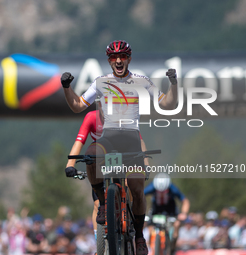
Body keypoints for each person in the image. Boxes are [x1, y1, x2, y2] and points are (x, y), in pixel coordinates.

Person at [61, 40, 178, 255]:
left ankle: (140, 236)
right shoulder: (100, 82)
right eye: (114, 58)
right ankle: (104, 204)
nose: (118, 60)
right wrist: (66, 87)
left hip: (132, 139)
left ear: (129, 59)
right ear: (109, 61)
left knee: (137, 190)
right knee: (90, 155)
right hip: (109, 139)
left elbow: (167, 104)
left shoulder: (141, 80)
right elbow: (77, 105)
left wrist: (173, 85)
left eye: (122, 56)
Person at [65, 109, 150, 242]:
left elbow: (139, 140)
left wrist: (146, 163)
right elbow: (79, 141)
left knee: (132, 184)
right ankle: (99, 241)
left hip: (123, 155)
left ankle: (133, 222)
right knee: (97, 203)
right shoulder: (91, 117)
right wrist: (70, 165)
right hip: (102, 156)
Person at [144, 173, 190, 244]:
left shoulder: (173, 188)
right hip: (156, 208)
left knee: (177, 224)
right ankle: (151, 245)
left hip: (170, 208)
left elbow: (185, 201)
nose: (162, 193)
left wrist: (183, 213)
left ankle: (173, 243)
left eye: (164, 191)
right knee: (150, 226)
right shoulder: (151, 187)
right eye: (159, 191)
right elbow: (139, 197)